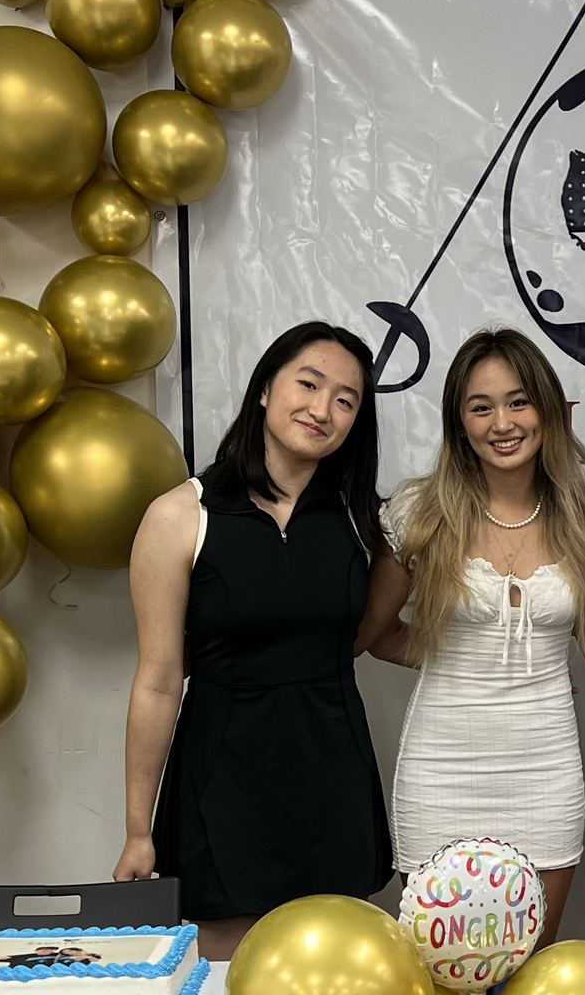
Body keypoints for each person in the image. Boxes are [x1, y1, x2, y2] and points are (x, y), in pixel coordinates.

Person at [115, 322, 391, 956]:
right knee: (226, 985)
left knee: (332, 982)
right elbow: (158, 680)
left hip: (335, 774)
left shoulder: (361, 519)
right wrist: (139, 831)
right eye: (309, 383)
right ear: (266, 387)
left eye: (346, 399)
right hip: (222, 778)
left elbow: (375, 635)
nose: (323, 409)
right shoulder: (181, 515)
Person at [359, 327, 585, 943]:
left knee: (529, 968)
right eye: (481, 407)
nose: (502, 422)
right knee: (440, 975)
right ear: (460, 422)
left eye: (518, 401)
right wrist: (457, 660)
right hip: (440, 769)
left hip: (545, 770)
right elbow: (374, 635)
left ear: (547, 411)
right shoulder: (419, 511)